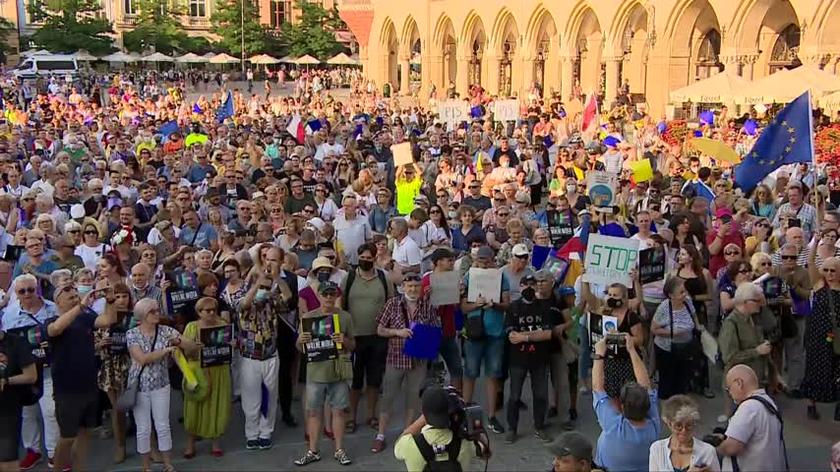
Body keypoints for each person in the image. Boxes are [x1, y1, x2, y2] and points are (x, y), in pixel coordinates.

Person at [127, 298, 199, 472]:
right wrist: (166, 350)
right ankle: (146, 467)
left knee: (163, 425)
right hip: (140, 387)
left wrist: (182, 343)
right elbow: (142, 358)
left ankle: (168, 464)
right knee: (143, 428)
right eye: (153, 311)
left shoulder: (166, 331)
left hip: (161, 384)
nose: (157, 313)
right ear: (143, 315)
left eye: (157, 310)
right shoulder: (132, 334)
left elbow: (190, 346)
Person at [372, 273, 440, 453]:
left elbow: (434, 328)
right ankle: (380, 434)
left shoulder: (428, 305)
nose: (413, 290)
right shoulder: (393, 304)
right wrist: (397, 332)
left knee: (413, 399)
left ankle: (406, 434)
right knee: (388, 397)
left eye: (416, 286)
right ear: (403, 287)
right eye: (410, 286)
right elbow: (379, 329)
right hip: (396, 358)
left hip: (419, 360)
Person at [294, 282, 355, 466]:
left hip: (338, 371)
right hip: (315, 372)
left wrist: (344, 340)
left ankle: (339, 449)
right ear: (319, 296)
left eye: (332, 294)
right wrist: (301, 340)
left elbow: (353, 345)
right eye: (325, 294)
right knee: (313, 412)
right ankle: (313, 450)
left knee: (338, 411)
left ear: (336, 296)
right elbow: (299, 347)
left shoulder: (344, 317)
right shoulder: (308, 317)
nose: (328, 298)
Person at [592, 334, 660, 472]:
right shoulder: (654, 425)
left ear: (622, 407)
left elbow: (597, 387)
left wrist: (599, 354)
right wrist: (632, 350)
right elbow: (646, 384)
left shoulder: (613, 425)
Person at [504, 272, 556, 443]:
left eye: (532, 285)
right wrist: (535, 334)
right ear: (520, 287)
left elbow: (548, 334)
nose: (529, 288)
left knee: (541, 394)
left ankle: (540, 426)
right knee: (514, 396)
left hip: (539, 358)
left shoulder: (544, 307)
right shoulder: (513, 307)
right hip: (517, 359)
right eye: (525, 285)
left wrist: (525, 336)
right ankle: (512, 428)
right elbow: (512, 336)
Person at [182, 297, 232, 458]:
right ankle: (190, 445)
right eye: (207, 310)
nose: (211, 313)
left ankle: (215, 443)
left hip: (219, 370)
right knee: (193, 407)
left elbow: (230, 347)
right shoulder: (191, 327)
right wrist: (194, 347)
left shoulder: (223, 325)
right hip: (198, 371)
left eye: (213, 310)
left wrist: (232, 345)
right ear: (199, 312)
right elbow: (185, 353)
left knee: (217, 405)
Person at [393, 387, 485, 472]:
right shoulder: (466, 444)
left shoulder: (408, 444)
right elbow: (486, 452)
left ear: (423, 413)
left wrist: (421, 420)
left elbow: (401, 440)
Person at [717, 364, 788, 472]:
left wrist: (716, 447)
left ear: (739, 383)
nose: (729, 394)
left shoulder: (748, 408)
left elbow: (732, 447)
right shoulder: (768, 402)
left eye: (729, 388)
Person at [648, 395, 720, 472]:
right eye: (678, 426)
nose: (684, 430)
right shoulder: (657, 449)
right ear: (669, 424)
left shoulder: (707, 452)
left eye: (689, 425)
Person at [0, 327, 38, 472]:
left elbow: (31, 376)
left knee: (7, 463)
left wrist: (6, 380)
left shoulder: (16, 343)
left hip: (7, 411)